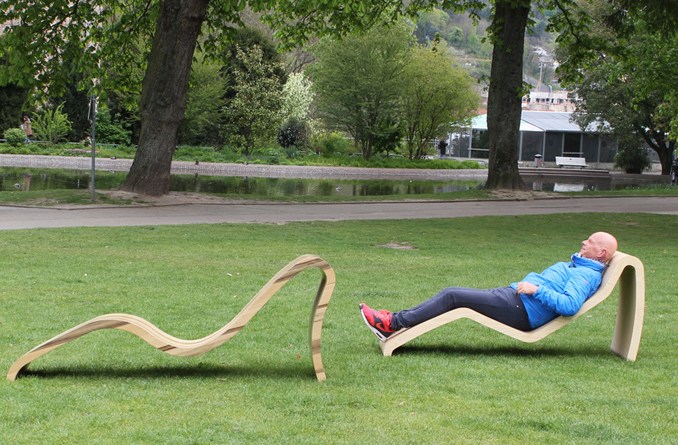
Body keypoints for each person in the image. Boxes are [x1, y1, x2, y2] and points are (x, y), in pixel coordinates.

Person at [359, 232, 618, 341]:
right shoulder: (582, 266)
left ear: (601, 252)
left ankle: (391, 323)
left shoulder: (585, 275)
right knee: (454, 296)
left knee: (453, 295)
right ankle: (393, 321)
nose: (584, 241)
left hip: (521, 309)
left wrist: (536, 290)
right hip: (514, 298)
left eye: (591, 241)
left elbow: (570, 306)